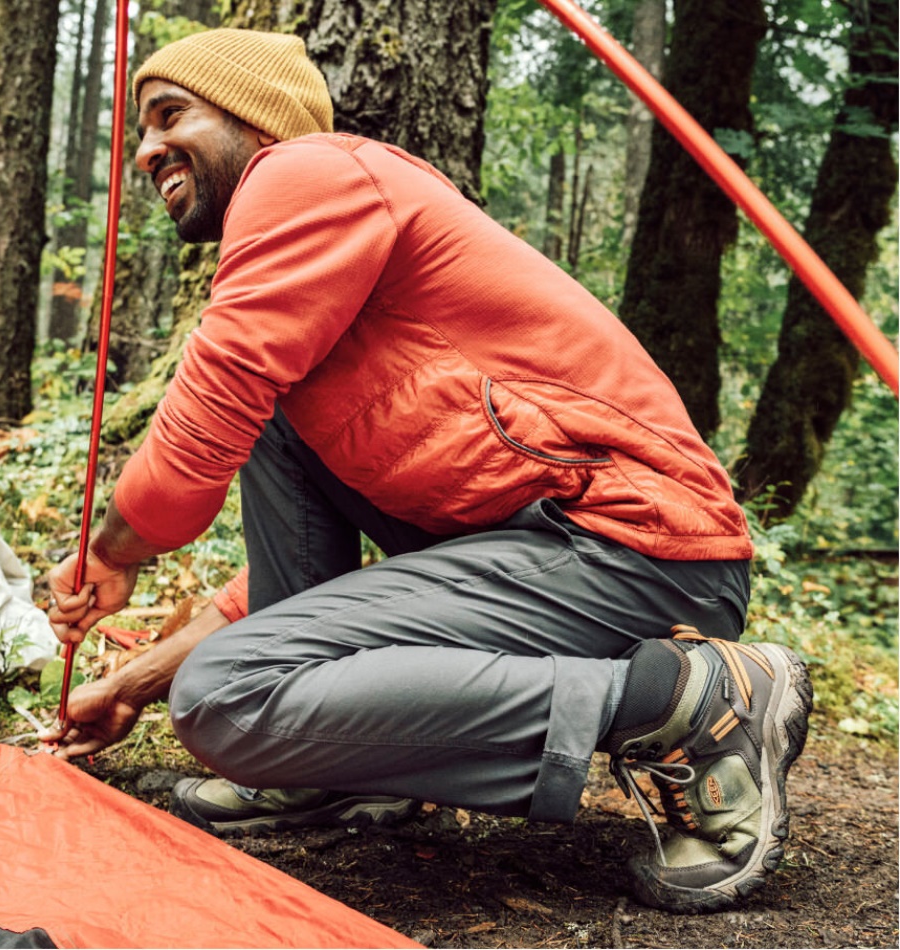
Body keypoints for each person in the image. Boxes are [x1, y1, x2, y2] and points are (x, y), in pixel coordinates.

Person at [44, 28, 812, 913]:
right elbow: (297, 597)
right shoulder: (319, 311)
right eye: (140, 128)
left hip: (634, 554)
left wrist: (113, 549)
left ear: (255, 121)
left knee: (227, 700)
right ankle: (325, 767)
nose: (146, 149)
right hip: (536, 553)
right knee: (272, 437)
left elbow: (211, 405)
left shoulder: (307, 174)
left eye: (170, 115)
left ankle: (687, 704)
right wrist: (135, 681)